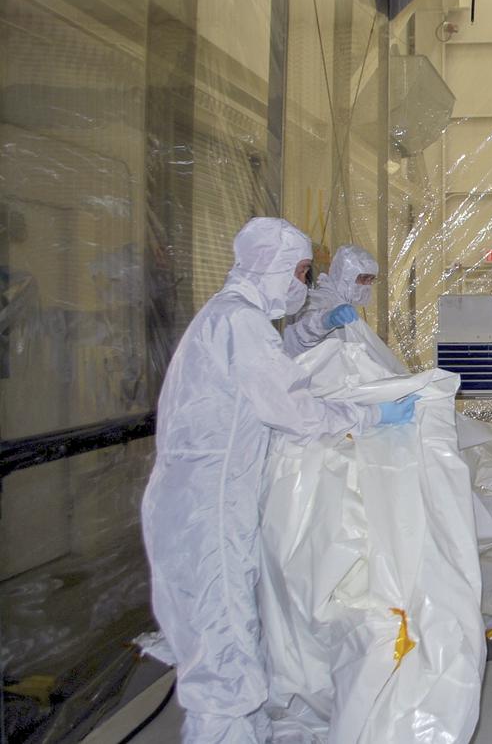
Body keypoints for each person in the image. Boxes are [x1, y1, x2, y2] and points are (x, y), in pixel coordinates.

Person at [141, 218, 419, 742]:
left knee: (232, 642)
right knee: (223, 657)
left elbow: (283, 364)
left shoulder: (232, 319)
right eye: (297, 272)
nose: (301, 285)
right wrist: (371, 419)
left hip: (209, 506)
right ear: (268, 266)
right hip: (209, 514)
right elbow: (293, 406)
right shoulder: (238, 323)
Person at [282, 243, 380, 360]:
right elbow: (303, 331)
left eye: (371, 280)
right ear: (346, 275)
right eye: (363, 278)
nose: (367, 285)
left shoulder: (343, 302)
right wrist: (325, 320)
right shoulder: (320, 298)